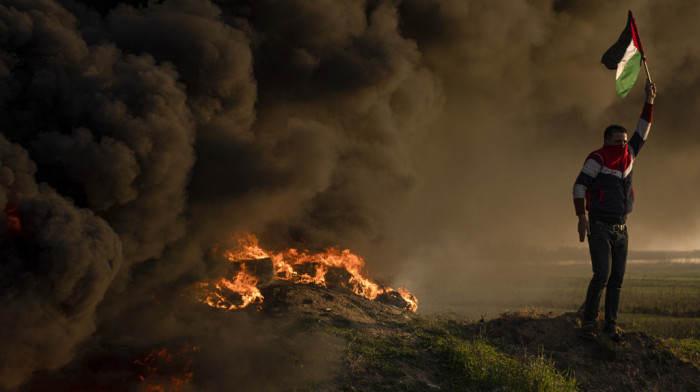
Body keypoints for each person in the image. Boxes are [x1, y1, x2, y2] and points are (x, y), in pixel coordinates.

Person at [573, 79, 657, 342]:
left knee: (617, 280)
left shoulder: (629, 156)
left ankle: (610, 326)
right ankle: (588, 322)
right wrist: (581, 219)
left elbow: (642, 130)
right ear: (606, 140)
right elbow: (578, 187)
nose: (622, 143)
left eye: (624, 140)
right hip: (599, 227)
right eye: (617, 140)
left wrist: (649, 101)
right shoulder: (597, 158)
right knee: (602, 275)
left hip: (622, 229)